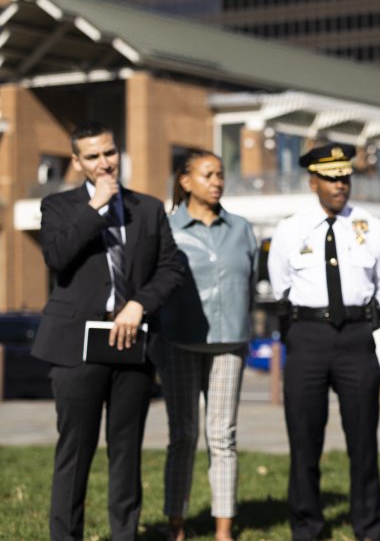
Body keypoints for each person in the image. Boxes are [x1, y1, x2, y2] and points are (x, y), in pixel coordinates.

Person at [32, 121, 184, 541]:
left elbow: (171, 268)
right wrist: (95, 207)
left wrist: (139, 304)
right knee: (74, 454)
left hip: (131, 343)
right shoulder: (59, 207)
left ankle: (124, 534)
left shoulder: (148, 208)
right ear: (78, 162)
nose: (105, 163)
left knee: (126, 452)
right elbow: (58, 257)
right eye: (94, 156)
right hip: (76, 347)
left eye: (110, 153)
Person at [267, 143, 380, 541]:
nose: (340, 184)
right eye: (331, 177)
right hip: (307, 337)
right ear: (313, 182)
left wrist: (364, 320)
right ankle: (307, 526)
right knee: (304, 440)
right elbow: (280, 286)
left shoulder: (373, 227)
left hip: (356, 339)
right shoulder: (290, 229)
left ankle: (369, 526)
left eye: (345, 177)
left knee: (363, 439)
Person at [154, 150, 257, 541]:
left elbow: (250, 283)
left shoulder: (242, 228)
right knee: (182, 435)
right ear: (185, 181)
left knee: (223, 435)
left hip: (229, 343)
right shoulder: (167, 229)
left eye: (220, 175)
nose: (217, 181)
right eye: (207, 174)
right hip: (178, 342)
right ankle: (175, 525)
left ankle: (223, 529)